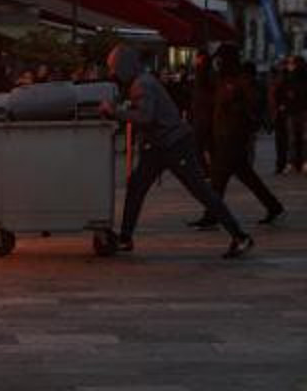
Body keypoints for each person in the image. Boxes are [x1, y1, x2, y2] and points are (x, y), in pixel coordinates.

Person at [99, 44, 254, 259]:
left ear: (124, 65)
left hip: (174, 146)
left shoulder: (142, 84)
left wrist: (115, 112)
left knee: (200, 190)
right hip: (159, 146)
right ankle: (125, 238)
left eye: (114, 67)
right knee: (136, 186)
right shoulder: (141, 81)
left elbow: (146, 116)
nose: (112, 73)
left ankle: (240, 236)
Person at [190, 46, 285, 229]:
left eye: (221, 60)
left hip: (233, 135)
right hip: (224, 133)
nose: (218, 64)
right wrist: (202, 66)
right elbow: (203, 89)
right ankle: (274, 206)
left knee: (218, 178)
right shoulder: (222, 79)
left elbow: (254, 103)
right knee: (246, 176)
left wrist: (236, 107)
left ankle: (212, 215)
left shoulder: (241, 79)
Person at [189, 51, 215, 177]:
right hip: (205, 113)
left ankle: (204, 169)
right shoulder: (208, 72)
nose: (194, 60)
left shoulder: (202, 73)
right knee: (207, 144)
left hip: (202, 114)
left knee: (198, 144)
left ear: (201, 58)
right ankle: (208, 168)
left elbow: (201, 95)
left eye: (196, 58)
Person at [270, 59, 292, 175]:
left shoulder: (281, 81)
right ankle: (282, 164)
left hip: (282, 114)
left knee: (283, 142)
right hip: (280, 114)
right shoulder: (280, 81)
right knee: (283, 142)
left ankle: (282, 164)